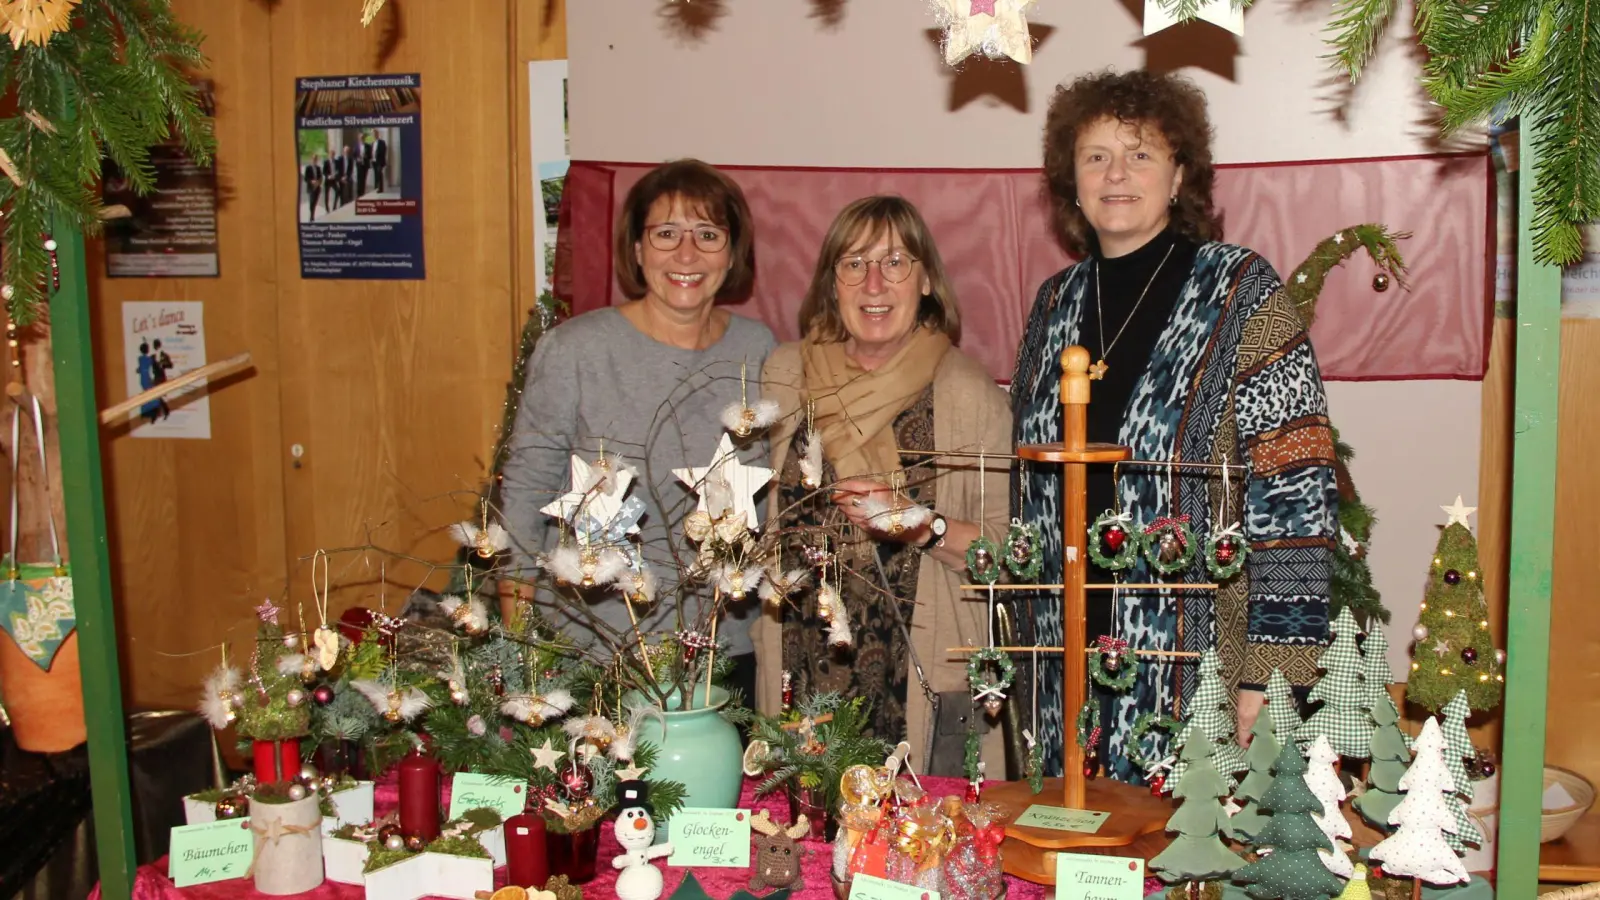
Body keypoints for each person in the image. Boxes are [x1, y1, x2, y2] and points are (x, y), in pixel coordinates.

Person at [1010, 69, 1338, 782]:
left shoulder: (1242, 290)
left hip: (1200, 668)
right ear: (1071, 178)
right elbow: (1027, 496)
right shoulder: (1054, 304)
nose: (1116, 174)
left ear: (1180, 173)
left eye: (1141, 154)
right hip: (1064, 659)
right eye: (1096, 155)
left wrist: (1271, 674)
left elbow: (1298, 494)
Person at [500, 159, 775, 706]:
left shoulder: (760, 351)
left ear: (733, 250)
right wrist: (519, 650)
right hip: (590, 648)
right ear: (636, 249)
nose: (687, 254)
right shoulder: (575, 351)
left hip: (721, 650)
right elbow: (525, 496)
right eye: (666, 233)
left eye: (708, 234)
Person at [754, 196, 1012, 773]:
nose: (874, 283)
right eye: (854, 264)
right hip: (803, 669)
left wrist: (921, 523)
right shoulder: (786, 375)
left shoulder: (969, 393)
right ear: (832, 282)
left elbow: (1006, 555)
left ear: (925, 280)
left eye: (895, 262)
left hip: (919, 676)